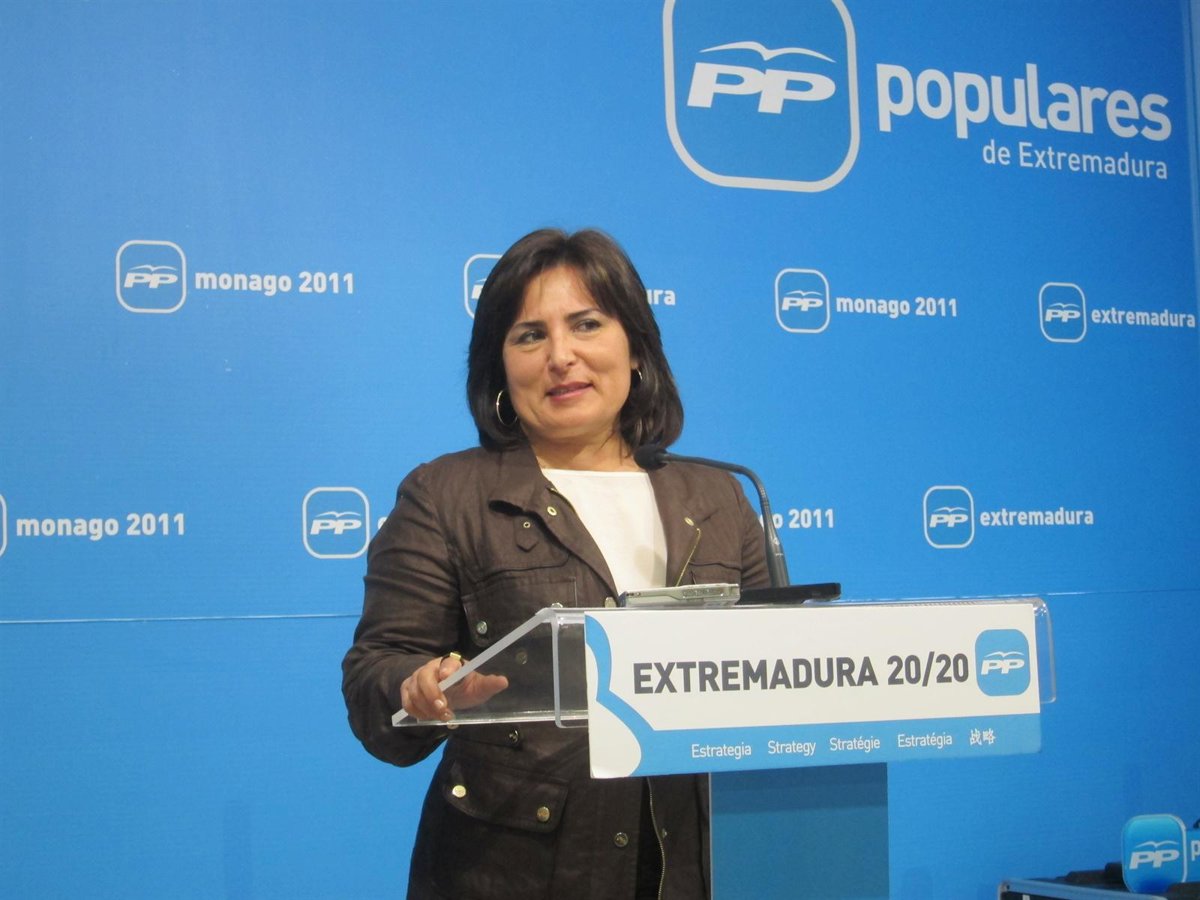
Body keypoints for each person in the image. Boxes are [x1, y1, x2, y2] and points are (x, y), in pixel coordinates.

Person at [342, 228, 769, 899]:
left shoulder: (717, 496)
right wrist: (420, 688)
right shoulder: (446, 495)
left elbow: (777, 676)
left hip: (690, 864)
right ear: (500, 367)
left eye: (587, 324)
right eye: (530, 336)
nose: (561, 356)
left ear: (636, 348)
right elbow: (376, 675)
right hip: (512, 870)